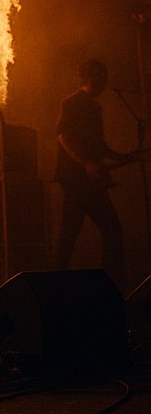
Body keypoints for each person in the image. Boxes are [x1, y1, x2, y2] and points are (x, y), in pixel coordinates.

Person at [53, 58, 132, 286]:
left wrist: (123, 156)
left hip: (91, 180)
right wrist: (85, 163)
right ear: (91, 77)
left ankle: (109, 285)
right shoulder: (72, 103)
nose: (105, 81)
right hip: (76, 180)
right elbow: (63, 137)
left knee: (104, 230)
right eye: (102, 76)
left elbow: (99, 146)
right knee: (76, 233)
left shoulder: (95, 107)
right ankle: (60, 285)